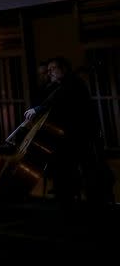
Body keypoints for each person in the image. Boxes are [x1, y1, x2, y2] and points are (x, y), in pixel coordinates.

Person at [23, 57, 114, 216]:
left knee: (78, 172)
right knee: (65, 171)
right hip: (73, 138)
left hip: (82, 138)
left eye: (52, 69)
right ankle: (69, 201)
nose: (49, 73)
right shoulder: (61, 86)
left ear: (63, 69)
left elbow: (60, 97)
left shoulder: (73, 84)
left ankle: (84, 207)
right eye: (48, 70)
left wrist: (38, 109)